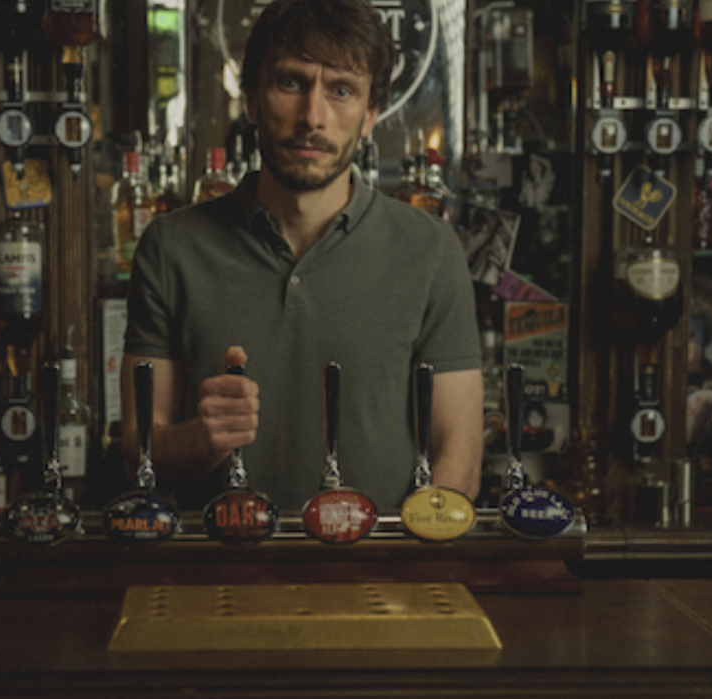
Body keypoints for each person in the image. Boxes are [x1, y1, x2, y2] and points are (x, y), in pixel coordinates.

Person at [121, 0, 483, 512]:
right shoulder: (171, 247)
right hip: (214, 575)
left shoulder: (428, 249)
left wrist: (405, 568)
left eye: (341, 90)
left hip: (381, 575)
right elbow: (138, 448)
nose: (313, 117)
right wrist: (200, 440)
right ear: (250, 100)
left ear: (370, 116)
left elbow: (460, 457)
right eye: (290, 83)